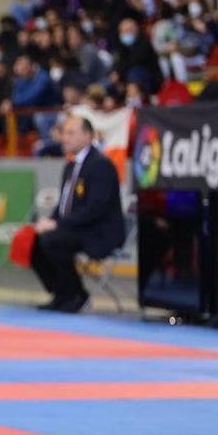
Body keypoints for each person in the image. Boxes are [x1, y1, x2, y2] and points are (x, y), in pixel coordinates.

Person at [27, 115, 124, 313]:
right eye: (63, 133)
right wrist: (50, 220)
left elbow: (94, 209)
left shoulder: (100, 165)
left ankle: (77, 295)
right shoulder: (71, 166)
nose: (64, 138)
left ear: (88, 136)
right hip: (78, 228)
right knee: (33, 240)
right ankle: (62, 293)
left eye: (71, 133)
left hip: (98, 232)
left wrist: (58, 225)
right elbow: (64, 205)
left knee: (52, 240)